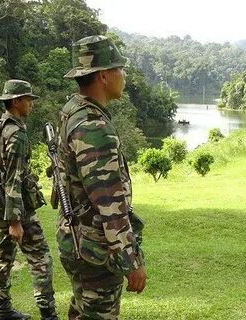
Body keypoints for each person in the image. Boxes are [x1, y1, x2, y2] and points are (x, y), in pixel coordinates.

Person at [56, 35, 147, 319]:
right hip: (95, 249)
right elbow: (108, 201)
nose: (124, 75)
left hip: (78, 239)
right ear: (104, 76)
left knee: (82, 311)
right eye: (120, 69)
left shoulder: (74, 110)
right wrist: (130, 259)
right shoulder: (93, 126)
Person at [0, 79, 58, 320]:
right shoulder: (16, 134)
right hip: (17, 209)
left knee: (3, 255)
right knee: (41, 258)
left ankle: (2, 309)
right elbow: (14, 178)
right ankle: (48, 314)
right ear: (16, 101)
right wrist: (15, 220)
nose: (32, 104)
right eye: (28, 99)